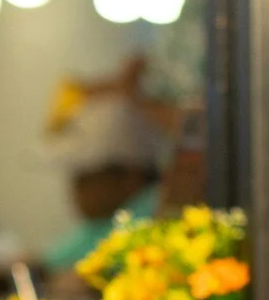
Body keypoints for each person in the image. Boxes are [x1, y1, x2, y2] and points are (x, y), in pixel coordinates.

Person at [41, 59, 173, 280]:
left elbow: (111, 264)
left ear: (130, 177)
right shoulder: (100, 223)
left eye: (86, 178)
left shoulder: (152, 210)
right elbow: (61, 258)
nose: (76, 191)